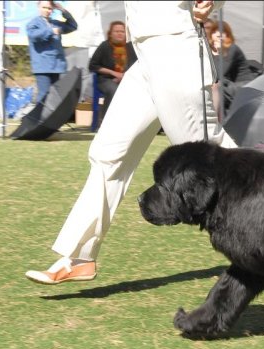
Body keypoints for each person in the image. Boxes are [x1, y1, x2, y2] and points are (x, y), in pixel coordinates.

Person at [25, 1, 236, 285]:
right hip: (145, 54)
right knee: (107, 153)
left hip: (175, 49)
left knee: (210, 161)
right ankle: (80, 257)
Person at [26, 1, 78, 103]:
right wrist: (51, 31)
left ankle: (51, 118)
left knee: (55, 95)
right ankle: (41, 118)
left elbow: (73, 26)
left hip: (57, 65)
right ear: (38, 7)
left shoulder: (55, 23)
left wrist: (63, 11)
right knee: (44, 95)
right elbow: (34, 36)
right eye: (44, 8)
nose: (47, 11)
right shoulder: (33, 24)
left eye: (49, 8)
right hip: (42, 66)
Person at [88, 21, 138, 123]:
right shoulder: (104, 46)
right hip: (105, 79)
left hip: (126, 78)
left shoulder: (130, 47)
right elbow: (93, 66)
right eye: (116, 31)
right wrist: (113, 74)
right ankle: (106, 121)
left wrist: (124, 77)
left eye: (122, 31)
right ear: (110, 33)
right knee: (113, 90)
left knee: (140, 90)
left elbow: (135, 65)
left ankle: (131, 122)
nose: (120, 33)